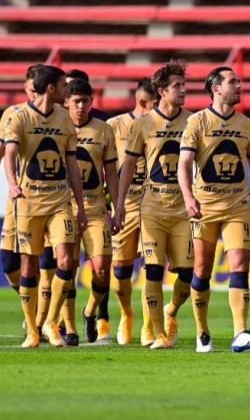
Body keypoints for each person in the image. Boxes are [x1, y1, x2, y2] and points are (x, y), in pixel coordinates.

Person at [177, 66, 250, 353]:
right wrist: (188, 199)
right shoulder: (197, 122)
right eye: (232, 82)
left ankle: (240, 332)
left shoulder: (247, 126)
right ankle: (202, 331)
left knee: (240, 267)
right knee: (202, 269)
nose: (239, 86)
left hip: (237, 207)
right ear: (216, 88)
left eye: (239, 81)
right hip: (204, 207)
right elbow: (184, 165)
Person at [3, 65, 88, 348]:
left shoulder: (65, 119)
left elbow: (72, 164)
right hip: (28, 203)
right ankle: (32, 329)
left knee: (66, 261)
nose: (67, 91)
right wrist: (13, 183)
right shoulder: (19, 118)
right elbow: (9, 153)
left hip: (60, 202)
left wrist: (81, 204)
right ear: (51, 88)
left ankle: (50, 321)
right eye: (64, 86)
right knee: (29, 269)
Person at [115, 61, 195, 349]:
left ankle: (170, 311)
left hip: (184, 210)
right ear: (162, 91)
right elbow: (128, 166)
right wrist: (120, 204)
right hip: (152, 208)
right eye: (177, 86)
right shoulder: (144, 124)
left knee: (186, 275)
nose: (183, 90)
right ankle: (158, 333)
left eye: (184, 85)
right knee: (152, 270)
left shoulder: (194, 121)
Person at [0, 64, 59, 339]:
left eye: (33, 85)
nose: (30, 90)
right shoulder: (13, 115)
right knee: (9, 263)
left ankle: (43, 322)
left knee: (46, 260)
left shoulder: (59, 115)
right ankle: (31, 305)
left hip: (52, 199)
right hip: (20, 201)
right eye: (27, 85)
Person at [62, 79, 120, 345]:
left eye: (86, 101)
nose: (81, 106)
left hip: (96, 210)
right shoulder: (57, 128)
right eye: (76, 101)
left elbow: (112, 173)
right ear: (66, 102)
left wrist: (117, 207)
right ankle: (71, 328)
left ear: (92, 102)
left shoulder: (103, 130)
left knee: (101, 270)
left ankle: (89, 312)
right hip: (64, 210)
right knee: (67, 269)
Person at [108, 78, 157, 345]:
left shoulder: (161, 126)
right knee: (121, 272)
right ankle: (126, 315)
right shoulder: (114, 127)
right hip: (124, 207)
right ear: (142, 103)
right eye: (155, 104)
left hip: (154, 205)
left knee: (152, 267)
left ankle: (148, 326)